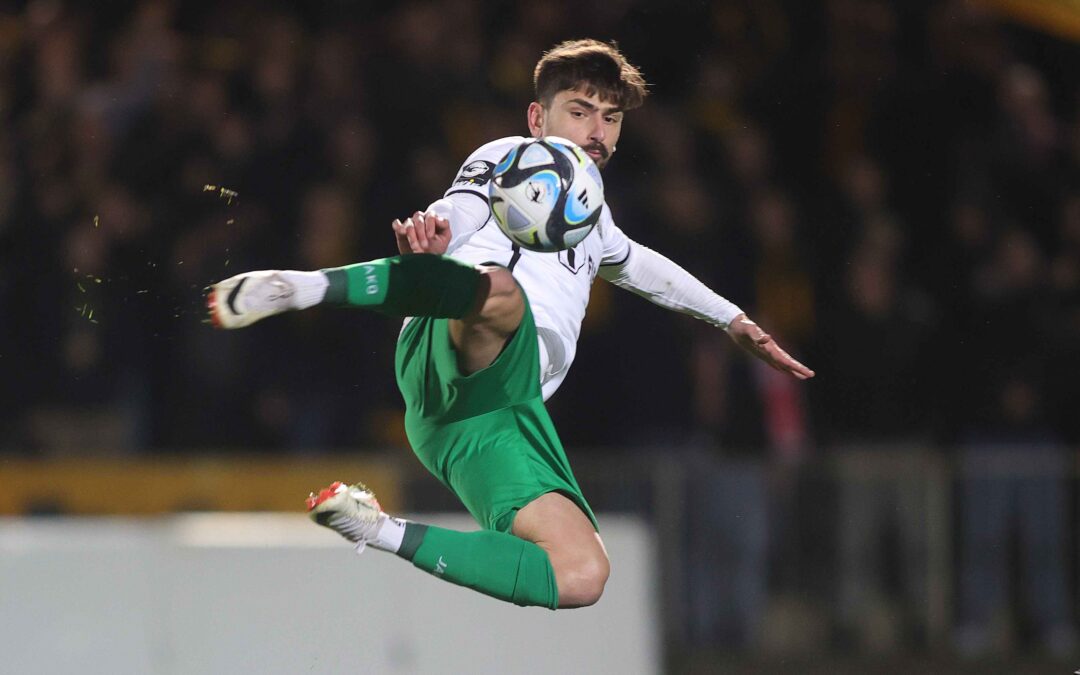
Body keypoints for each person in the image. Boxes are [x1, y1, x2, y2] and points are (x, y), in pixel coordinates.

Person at [207, 39, 814, 610]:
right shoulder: (508, 157)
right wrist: (437, 228)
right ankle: (304, 287)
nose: (597, 132)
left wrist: (731, 319)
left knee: (583, 575)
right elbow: (465, 207)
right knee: (501, 294)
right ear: (536, 118)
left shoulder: (593, 215)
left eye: (611, 118)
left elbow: (644, 267)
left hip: (492, 422)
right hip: (453, 344)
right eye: (581, 112)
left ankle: (377, 528)